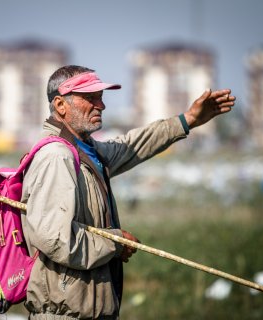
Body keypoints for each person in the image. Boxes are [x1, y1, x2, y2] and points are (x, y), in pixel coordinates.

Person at [20, 65, 235, 319]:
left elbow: (132, 145)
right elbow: (56, 239)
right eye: (90, 98)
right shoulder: (56, 157)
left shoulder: (86, 151)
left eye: (100, 97)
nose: (101, 105)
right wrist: (115, 243)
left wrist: (187, 120)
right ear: (60, 105)